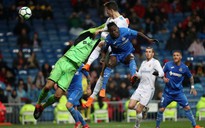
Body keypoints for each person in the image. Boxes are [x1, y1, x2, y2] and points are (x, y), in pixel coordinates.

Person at [33, 24, 104, 120]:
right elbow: (97, 29)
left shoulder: (94, 45)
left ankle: (42, 107)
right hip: (64, 61)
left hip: (72, 69)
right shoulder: (83, 36)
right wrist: (100, 29)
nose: (96, 33)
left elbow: (105, 38)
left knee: (58, 96)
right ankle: (38, 104)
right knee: (47, 87)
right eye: (95, 31)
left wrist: (115, 22)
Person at [84, 22, 158, 107]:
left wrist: (148, 39)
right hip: (116, 55)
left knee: (131, 57)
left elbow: (138, 33)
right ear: (110, 32)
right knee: (109, 64)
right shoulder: (108, 39)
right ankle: (103, 89)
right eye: (112, 31)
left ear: (118, 28)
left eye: (116, 30)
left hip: (127, 53)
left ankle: (134, 75)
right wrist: (103, 57)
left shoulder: (125, 31)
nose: (115, 32)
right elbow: (105, 49)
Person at [83, 0, 130, 107]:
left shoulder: (121, 21)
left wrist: (101, 33)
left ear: (111, 10)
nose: (106, 13)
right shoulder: (110, 19)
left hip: (118, 49)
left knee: (100, 44)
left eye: (107, 10)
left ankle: (88, 65)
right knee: (102, 74)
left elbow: (118, 35)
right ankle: (91, 97)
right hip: (109, 46)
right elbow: (105, 30)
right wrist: (99, 31)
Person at [155, 50, 202, 128]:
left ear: (181, 57)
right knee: (161, 109)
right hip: (168, 93)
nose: (175, 57)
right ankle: (157, 127)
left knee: (187, 108)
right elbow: (161, 73)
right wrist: (163, 78)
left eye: (177, 55)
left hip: (178, 93)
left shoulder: (184, 68)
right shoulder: (168, 65)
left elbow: (190, 77)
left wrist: (192, 87)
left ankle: (195, 126)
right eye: (174, 55)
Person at [128, 47, 164, 128]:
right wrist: (134, 73)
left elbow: (162, 73)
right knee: (130, 106)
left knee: (138, 110)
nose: (148, 53)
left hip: (148, 90)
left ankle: (137, 126)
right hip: (140, 88)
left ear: (153, 53)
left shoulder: (155, 62)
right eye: (146, 52)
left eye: (150, 52)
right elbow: (140, 75)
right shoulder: (143, 62)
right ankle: (144, 109)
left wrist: (156, 73)